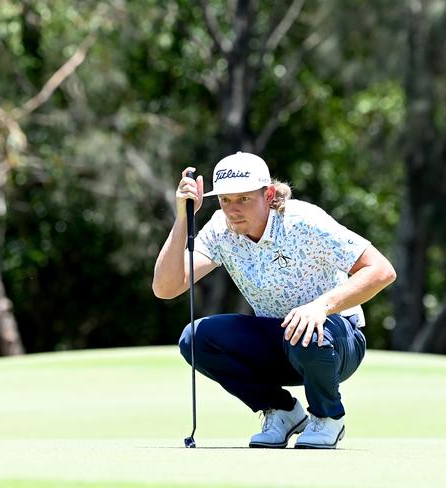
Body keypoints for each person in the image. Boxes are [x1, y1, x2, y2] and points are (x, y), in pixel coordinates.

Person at [152, 152, 396, 449]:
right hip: (278, 341)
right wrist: (182, 217)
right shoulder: (220, 229)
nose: (233, 209)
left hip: (337, 341)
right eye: (226, 200)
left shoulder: (302, 221)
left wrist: (320, 307)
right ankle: (282, 411)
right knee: (196, 337)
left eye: (243, 199)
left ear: (268, 194)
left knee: (304, 328)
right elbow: (166, 287)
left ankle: (327, 417)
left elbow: (381, 270)